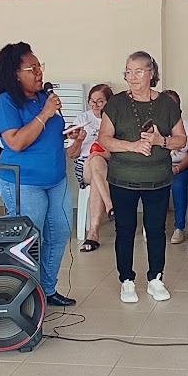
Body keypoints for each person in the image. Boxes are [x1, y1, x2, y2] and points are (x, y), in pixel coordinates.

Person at [0, 42, 84, 307]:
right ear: (15, 73)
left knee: (59, 233)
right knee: (29, 238)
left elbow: (51, 138)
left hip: (55, 179)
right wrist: (45, 113)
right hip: (23, 181)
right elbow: (16, 142)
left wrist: (73, 138)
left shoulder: (44, 98)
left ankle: (47, 290)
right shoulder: (6, 102)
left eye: (39, 66)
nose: (39, 72)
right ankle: (24, 296)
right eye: (32, 68)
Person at [97, 52, 185, 303]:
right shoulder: (116, 104)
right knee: (125, 229)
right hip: (122, 178)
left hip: (158, 178)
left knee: (156, 230)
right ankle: (126, 280)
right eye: (128, 72)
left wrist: (160, 140)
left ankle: (156, 278)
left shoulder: (167, 104)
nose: (132, 77)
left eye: (138, 71)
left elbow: (181, 139)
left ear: (151, 73)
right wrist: (132, 146)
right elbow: (104, 139)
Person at [76, 84, 112, 252]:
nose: (95, 105)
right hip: (84, 166)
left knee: (97, 168)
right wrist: (78, 140)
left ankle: (93, 233)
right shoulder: (82, 119)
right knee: (96, 163)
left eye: (100, 101)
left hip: (109, 165)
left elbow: (118, 152)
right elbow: (72, 154)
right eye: (92, 101)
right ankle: (110, 205)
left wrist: (99, 153)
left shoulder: (113, 120)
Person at [164, 90, 188, 247]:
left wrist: (177, 169)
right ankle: (153, 226)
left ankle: (179, 227)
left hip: (185, 168)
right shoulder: (155, 126)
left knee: (178, 184)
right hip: (161, 167)